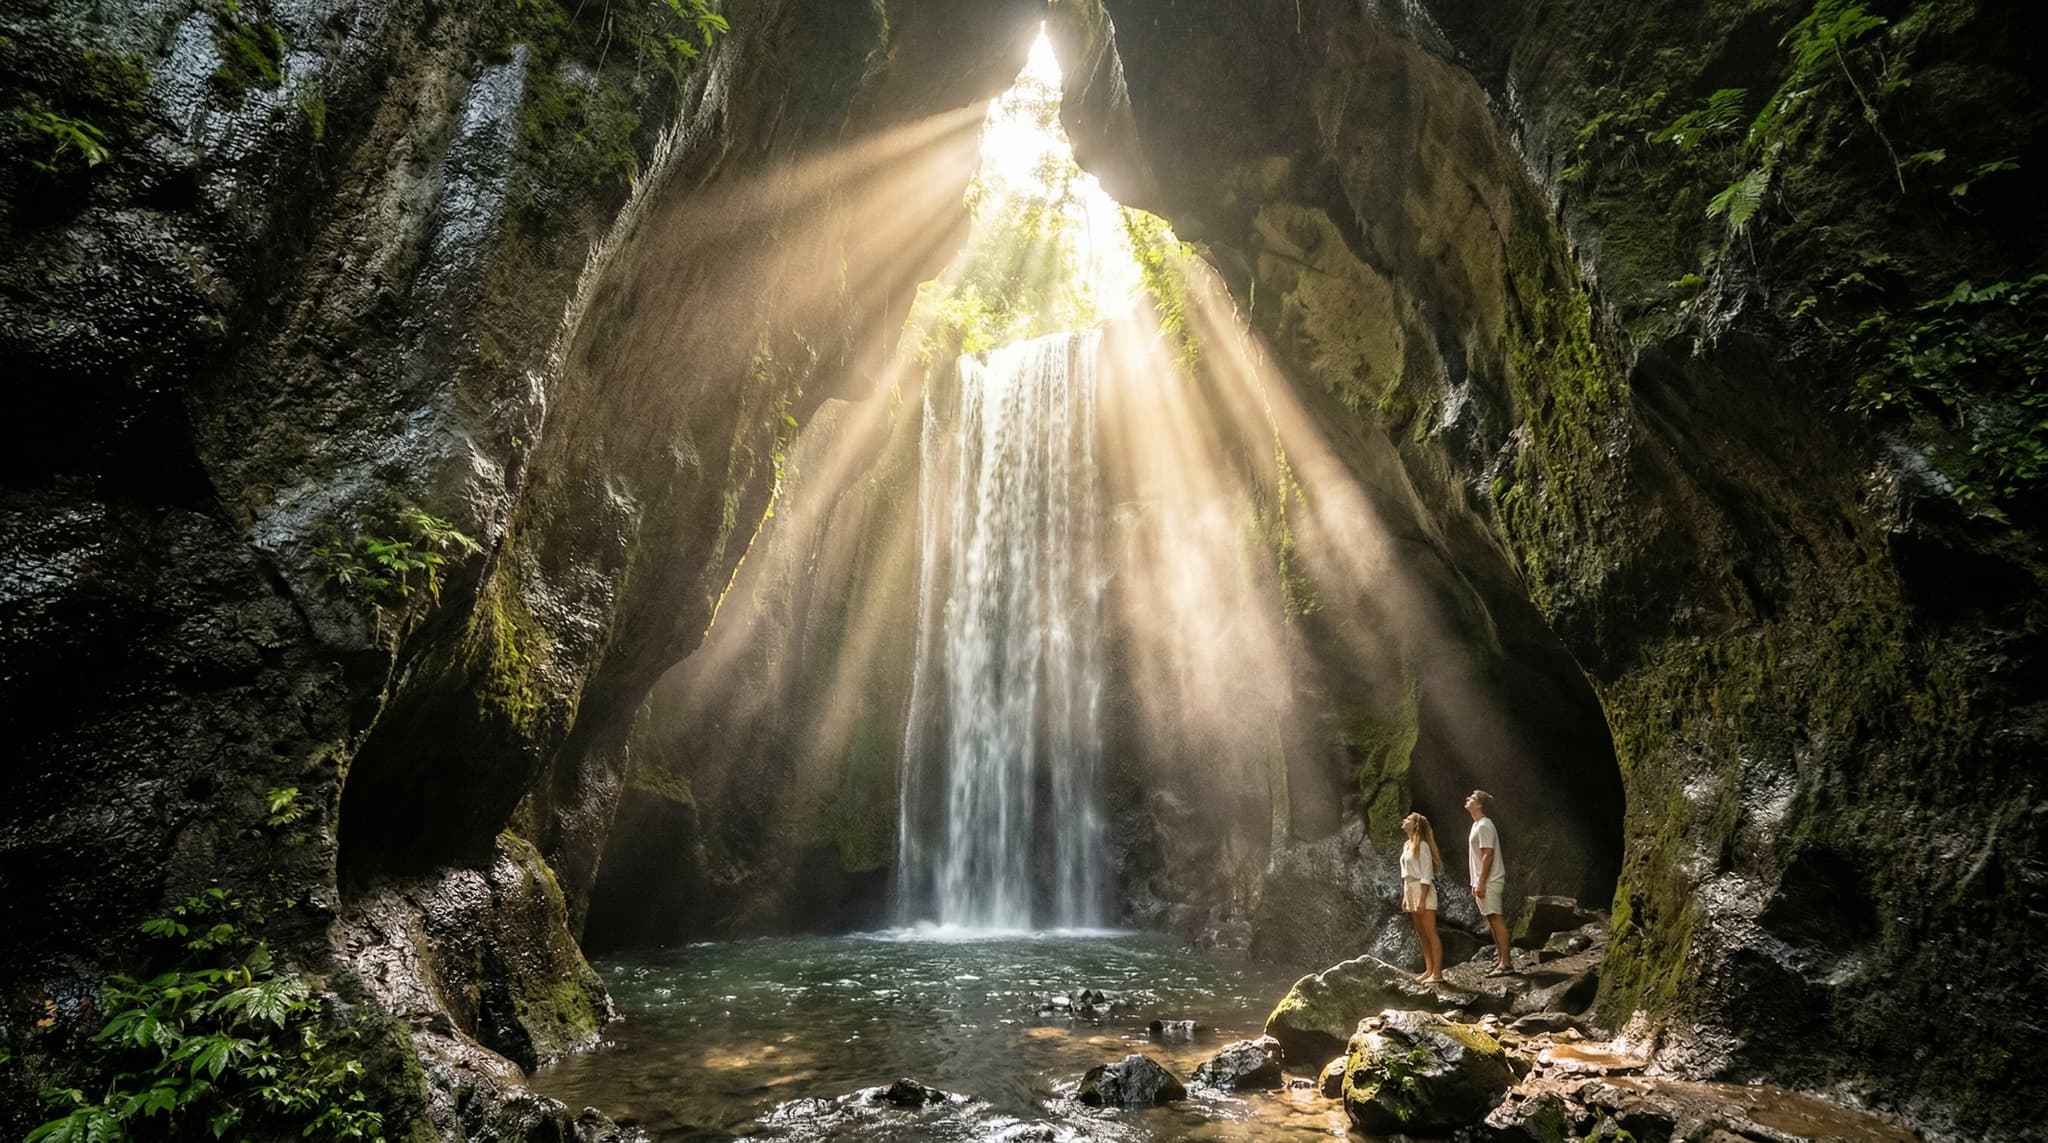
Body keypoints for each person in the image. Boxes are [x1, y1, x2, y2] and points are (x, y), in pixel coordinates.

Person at [1465, 789, 1514, 973]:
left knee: (1495, 918)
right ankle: (1501, 960)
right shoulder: (1477, 825)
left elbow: (1488, 855)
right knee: (1491, 919)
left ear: (1479, 805)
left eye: (1472, 798)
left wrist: (1481, 882)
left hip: (1491, 880)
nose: (1467, 799)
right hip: (1484, 880)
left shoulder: (1485, 825)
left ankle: (1506, 964)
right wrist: (1475, 882)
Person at [1399, 812, 1445, 983]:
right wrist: (1405, 895)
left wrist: (1422, 898)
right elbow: (1406, 874)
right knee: (1421, 933)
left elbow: (1427, 874)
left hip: (1422, 888)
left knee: (1430, 931)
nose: (1405, 820)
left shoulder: (1423, 845)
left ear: (1416, 825)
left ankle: (1437, 973)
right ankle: (1429, 969)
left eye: (1409, 819)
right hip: (1410, 888)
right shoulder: (1406, 845)